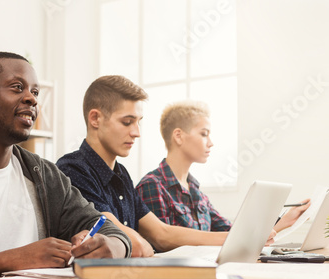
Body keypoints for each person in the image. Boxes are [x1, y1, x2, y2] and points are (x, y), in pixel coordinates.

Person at [56, 75, 307, 257]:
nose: (137, 132)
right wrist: (139, 244)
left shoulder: (121, 175)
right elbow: (130, 235)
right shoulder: (73, 169)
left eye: (139, 122)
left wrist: (258, 233)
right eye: (127, 122)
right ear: (95, 118)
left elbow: (162, 233)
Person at [0, 52, 131, 278]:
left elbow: (102, 226)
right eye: (17, 87)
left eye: (35, 92)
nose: (32, 98)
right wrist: (11, 259)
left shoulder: (44, 174)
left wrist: (115, 245)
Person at [136, 100, 310, 232]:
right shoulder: (152, 186)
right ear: (179, 136)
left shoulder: (196, 192)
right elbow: (164, 243)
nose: (210, 143)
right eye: (204, 134)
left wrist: (284, 221)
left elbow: (231, 232)